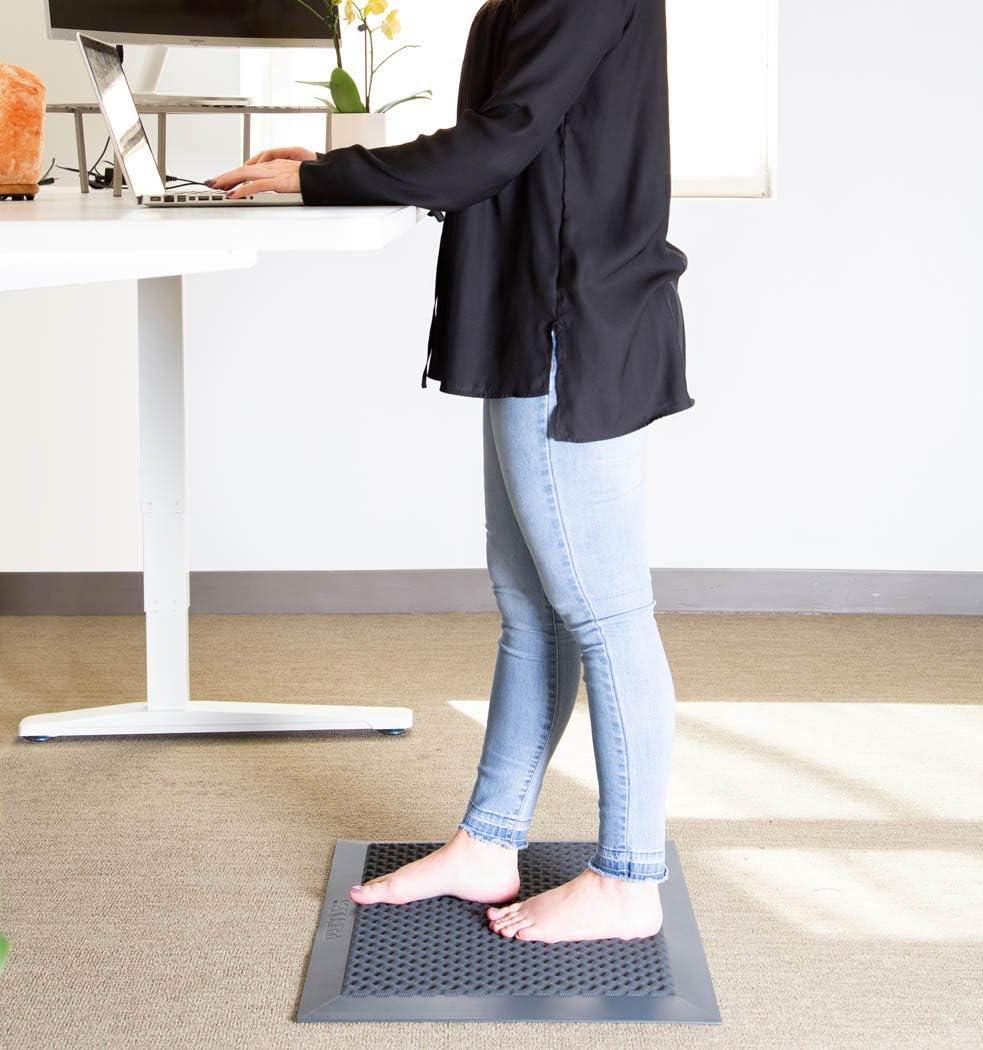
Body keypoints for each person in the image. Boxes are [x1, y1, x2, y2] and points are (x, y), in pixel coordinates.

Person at [208, 0, 694, 944]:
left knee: (604, 614)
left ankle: (631, 879)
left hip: (571, 324)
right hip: (536, 315)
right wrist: (323, 172)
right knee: (531, 605)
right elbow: (511, 142)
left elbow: (494, 144)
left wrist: (320, 173)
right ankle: (489, 841)